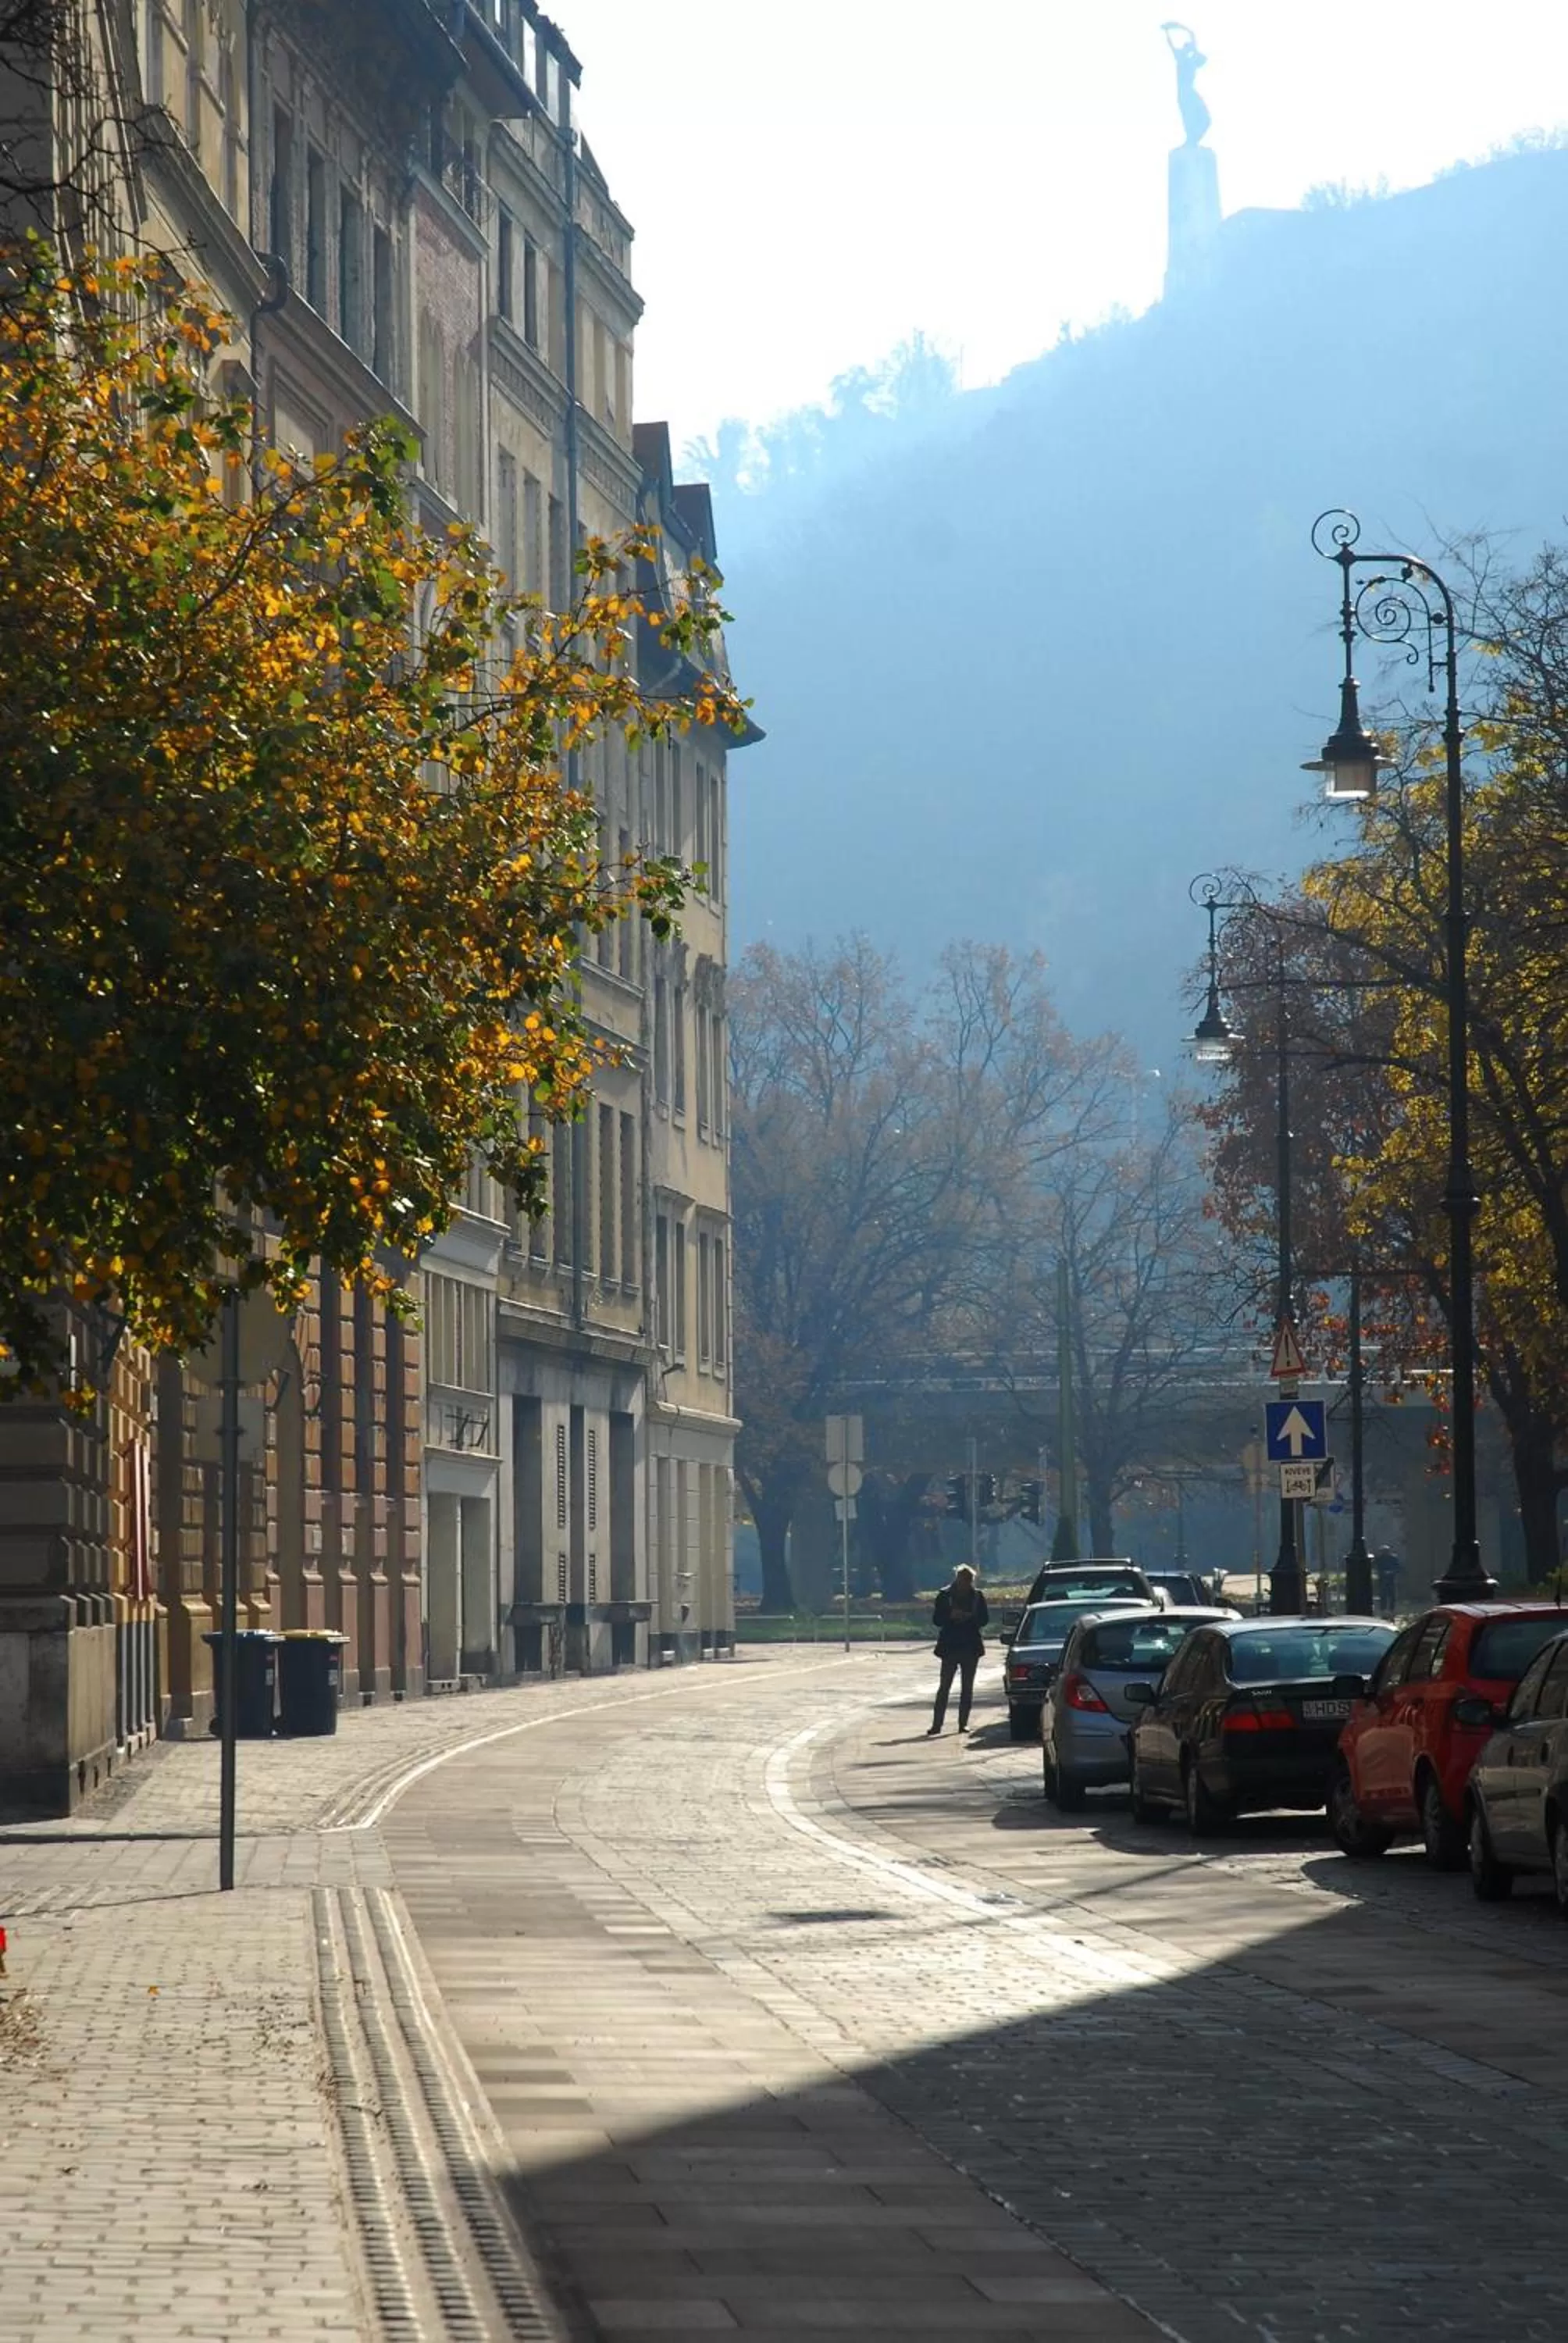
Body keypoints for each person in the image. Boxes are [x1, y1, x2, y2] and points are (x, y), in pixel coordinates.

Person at [928, 1564, 989, 1735]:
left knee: (967, 1688)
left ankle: (963, 1723)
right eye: (963, 1581)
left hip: (971, 1646)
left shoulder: (977, 1597)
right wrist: (950, 1615)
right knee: (944, 1687)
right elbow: (937, 1620)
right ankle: (937, 1724)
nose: (966, 1584)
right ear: (957, 1579)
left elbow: (984, 1620)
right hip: (950, 1646)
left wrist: (971, 1617)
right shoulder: (944, 1596)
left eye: (969, 1581)